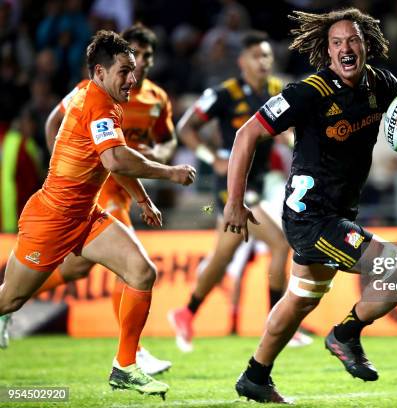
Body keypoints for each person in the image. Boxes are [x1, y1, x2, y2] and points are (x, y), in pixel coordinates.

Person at [223, 8, 397, 403]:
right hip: (311, 218)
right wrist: (233, 204)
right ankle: (346, 334)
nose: (346, 48)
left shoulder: (381, 83)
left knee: (300, 299)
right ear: (327, 52)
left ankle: (255, 376)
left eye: (353, 40)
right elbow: (247, 133)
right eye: (337, 42)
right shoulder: (309, 92)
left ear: (366, 45)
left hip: (339, 213)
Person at [0, 30, 196, 399]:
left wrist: (140, 198)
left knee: (141, 272)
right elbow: (116, 158)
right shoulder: (97, 104)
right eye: (124, 71)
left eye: (134, 70)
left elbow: (113, 162)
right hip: (51, 219)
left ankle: (125, 366)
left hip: (85, 216)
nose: (132, 79)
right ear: (100, 72)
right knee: (8, 299)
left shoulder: (108, 102)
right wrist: (169, 172)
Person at [35, 23, 177, 376]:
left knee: (81, 267)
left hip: (122, 187)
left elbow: (167, 140)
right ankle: (133, 354)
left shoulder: (155, 99)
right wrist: (66, 163)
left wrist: (155, 153)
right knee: (133, 267)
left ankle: (13, 301)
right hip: (103, 189)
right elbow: (61, 125)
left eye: (146, 56)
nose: (141, 63)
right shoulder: (91, 92)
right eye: (134, 57)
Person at [167, 31, 311, 352]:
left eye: (267, 56)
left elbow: (285, 131)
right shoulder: (225, 94)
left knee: (224, 255)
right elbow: (185, 128)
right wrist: (211, 157)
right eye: (257, 56)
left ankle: (186, 313)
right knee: (279, 243)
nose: (263, 62)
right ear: (242, 61)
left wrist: (291, 141)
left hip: (256, 184)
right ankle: (280, 323)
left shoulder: (277, 91)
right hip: (232, 186)